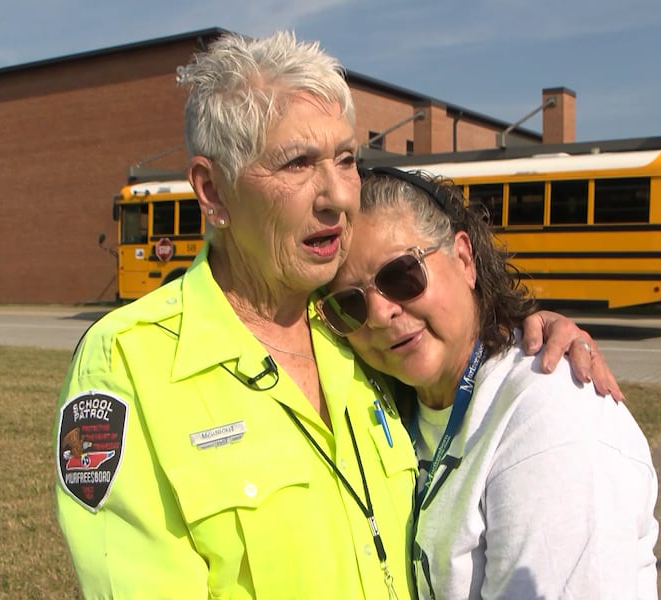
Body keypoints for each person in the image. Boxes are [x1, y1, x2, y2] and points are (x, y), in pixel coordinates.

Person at [54, 30, 619, 599]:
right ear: (213, 191)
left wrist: (520, 325)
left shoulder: (353, 331)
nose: (338, 197)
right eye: (297, 163)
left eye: (346, 160)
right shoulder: (130, 363)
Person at [318, 167, 659, 599]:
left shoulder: (551, 413)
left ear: (463, 259)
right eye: (350, 304)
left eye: (400, 275)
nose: (382, 313)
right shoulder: (384, 407)